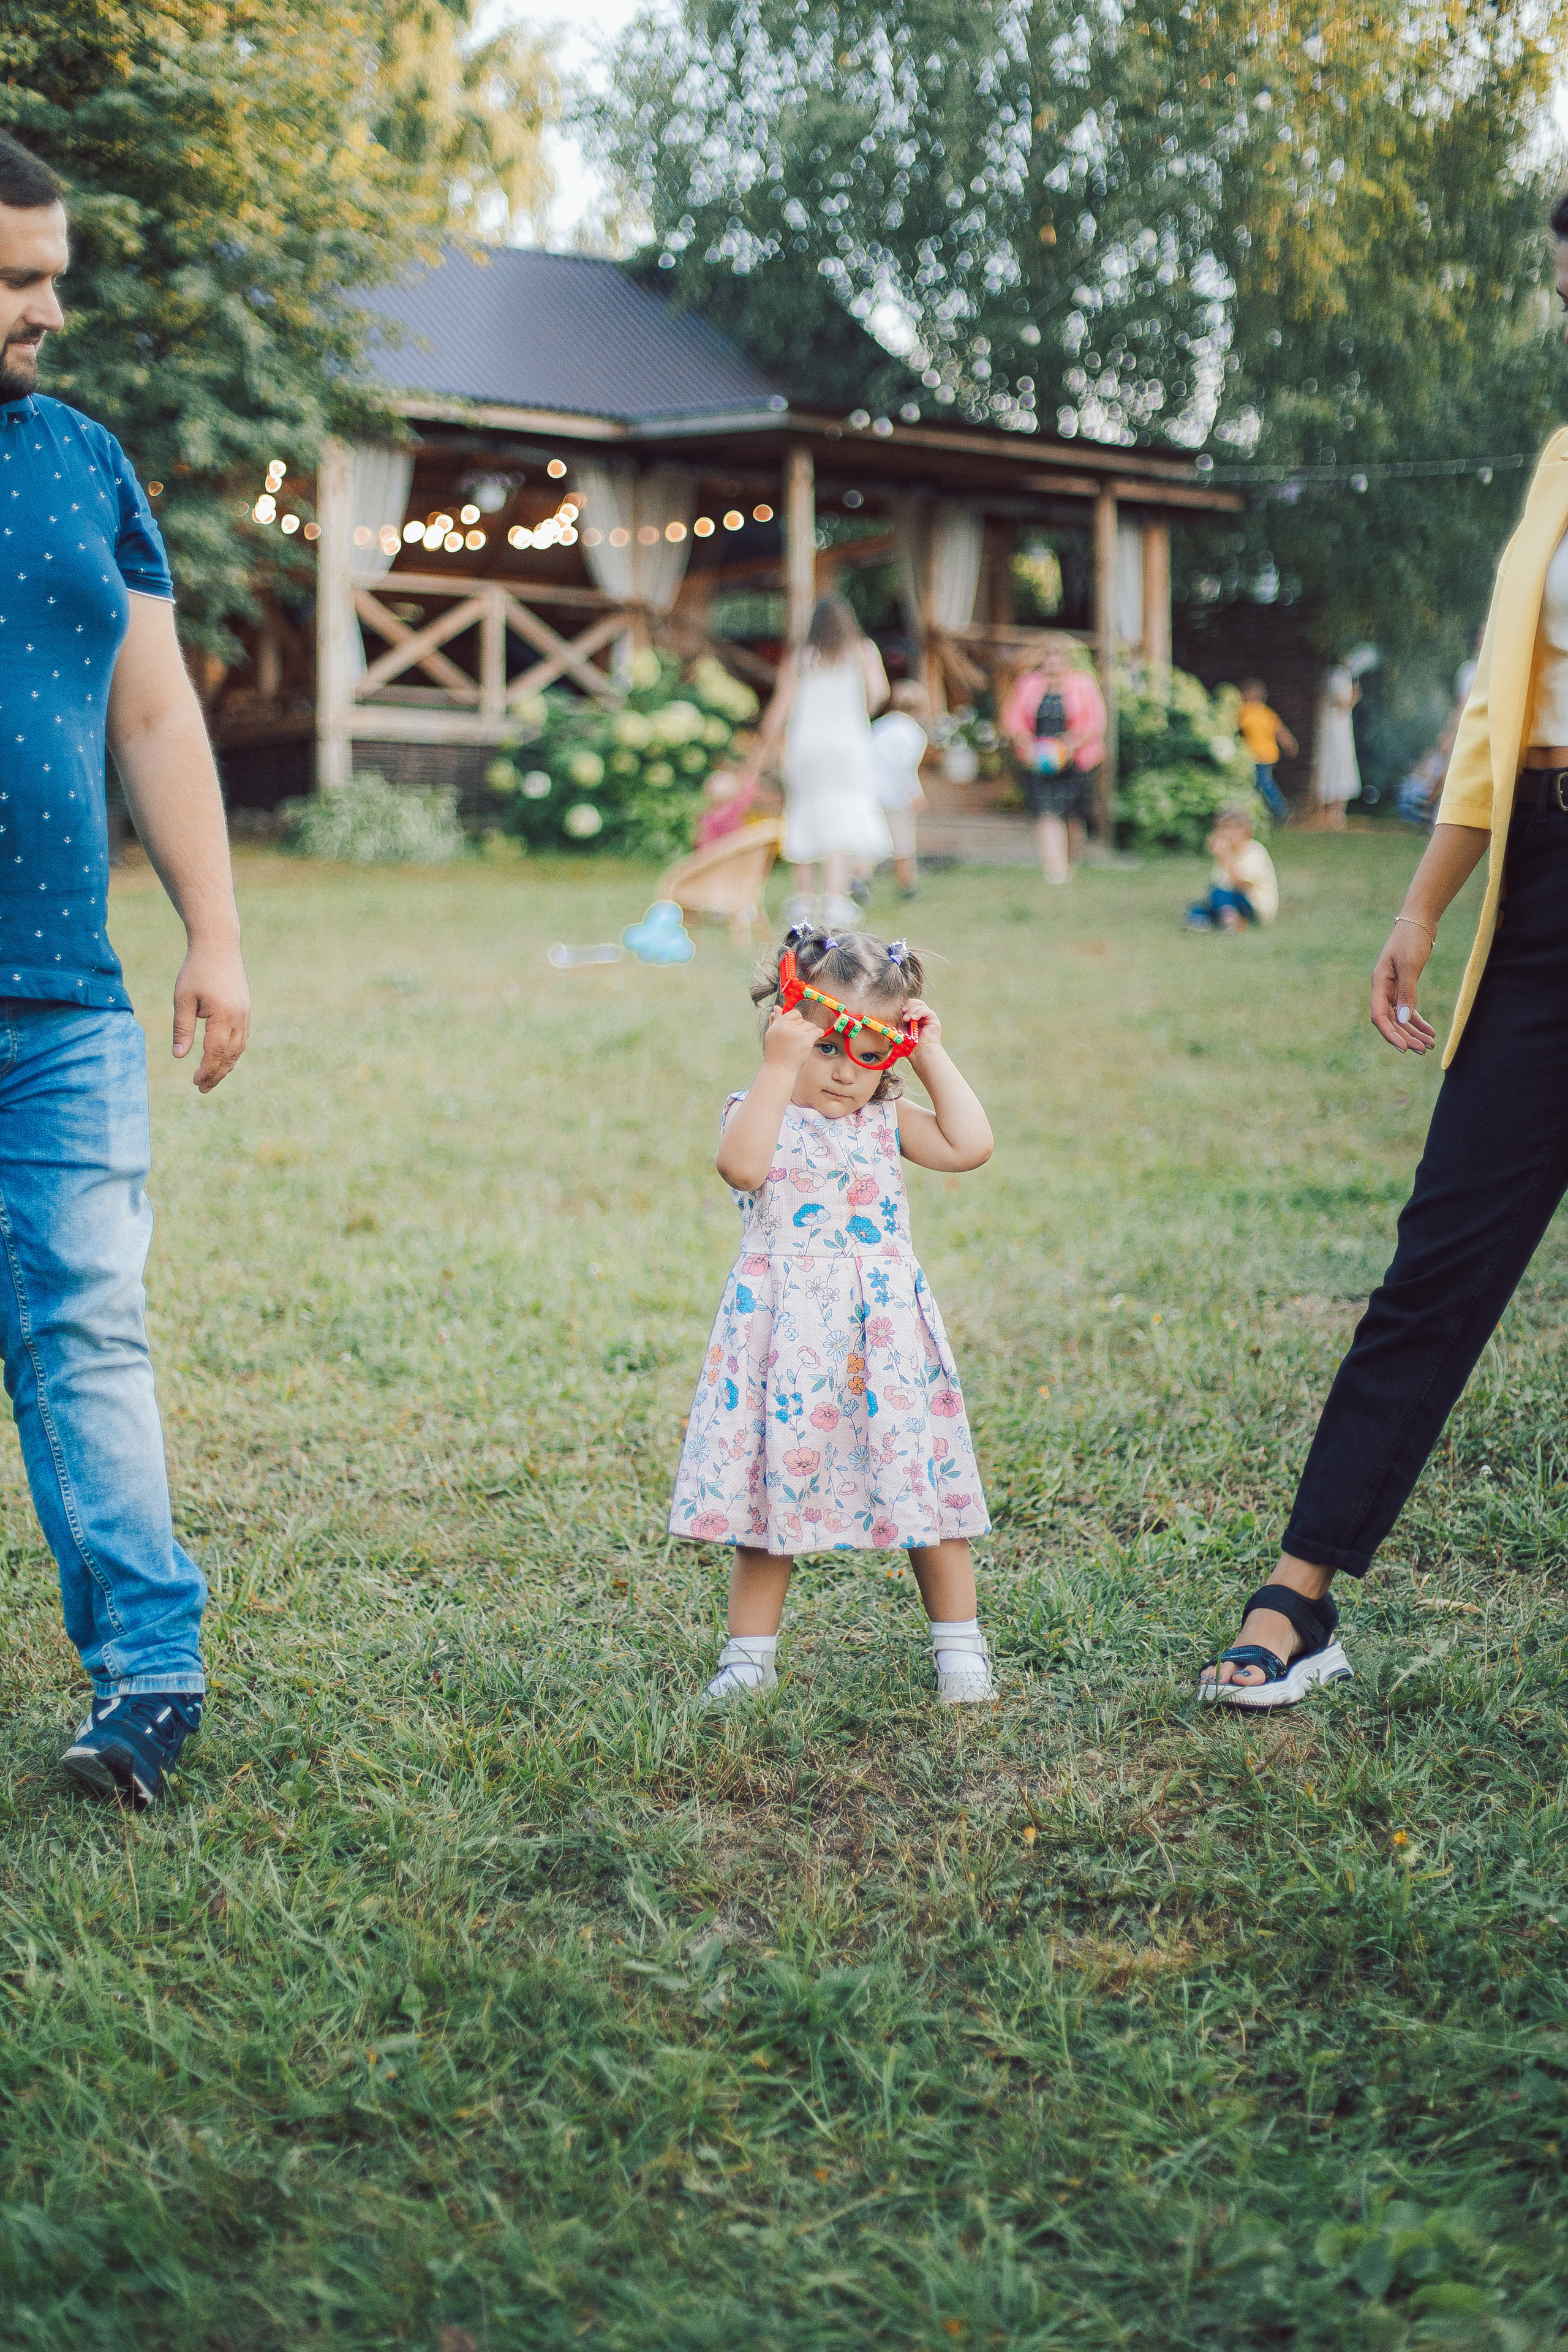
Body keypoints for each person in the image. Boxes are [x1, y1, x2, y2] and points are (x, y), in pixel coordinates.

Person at [1201, 187, 1568, 1709]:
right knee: (1440, 1253)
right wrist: (1420, 902)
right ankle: (1297, 1594)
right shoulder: (1559, 464)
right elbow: (1497, 712)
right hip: (1541, 882)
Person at [0, 135, 250, 1800]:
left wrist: (213, 934)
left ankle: (151, 1679)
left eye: (55, 277)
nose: (47, 310)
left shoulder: (85, 461)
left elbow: (152, 711)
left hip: (61, 1000)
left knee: (89, 1323)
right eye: (16, 279)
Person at [669, 923, 996, 1707]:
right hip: (784, 1344)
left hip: (882, 1341)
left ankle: (960, 1652)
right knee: (767, 1501)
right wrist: (780, 1064)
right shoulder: (760, 1112)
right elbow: (740, 1166)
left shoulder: (885, 1120)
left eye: (869, 1052)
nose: (847, 1073)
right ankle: (748, 1660)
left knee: (926, 1495)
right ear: (788, 1030)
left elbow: (971, 1145)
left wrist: (929, 1053)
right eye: (825, 1048)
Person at [742, 595, 891, 926]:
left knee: (804, 811)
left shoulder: (801, 657)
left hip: (807, 746)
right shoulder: (863, 651)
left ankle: (804, 899)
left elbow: (782, 705)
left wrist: (764, 745)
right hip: (848, 745)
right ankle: (835, 900)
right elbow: (879, 694)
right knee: (841, 817)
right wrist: (858, 712)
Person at [999, 638, 1107, 885]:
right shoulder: (1028, 683)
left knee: (1072, 817)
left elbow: (1095, 722)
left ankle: (1071, 863)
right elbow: (1014, 719)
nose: (1054, 664)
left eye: (1059, 658)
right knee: (1047, 813)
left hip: (1075, 761)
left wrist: (1069, 745)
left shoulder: (1084, 684)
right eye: (1049, 658)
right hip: (1039, 761)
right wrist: (1026, 742)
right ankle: (1055, 870)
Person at [869, 679, 930, 898]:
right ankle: (907, 886)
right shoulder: (914, 733)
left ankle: (860, 880)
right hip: (896, 795)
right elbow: (906, 768)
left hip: (871, 791)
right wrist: (915, 794)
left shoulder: (880, 725)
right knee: (903, 842)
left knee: (872, 839)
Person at [1185, 805, 1279, 931]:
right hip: (1231, 903)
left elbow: (1241, 884)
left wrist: (1225, 857)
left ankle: (1231, 922)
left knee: (1219, 892)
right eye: (1222, 829)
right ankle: (1209, 922)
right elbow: (1220, 882)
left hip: (1253, 905)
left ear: (1248, 831)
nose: (1226, 834)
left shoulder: (1254, 852)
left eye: (1232, 829)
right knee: (1198, 908)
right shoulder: (1229, 852)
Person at [1236, 677, 1298, 823]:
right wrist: (1290, 744)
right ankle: (1258, 814)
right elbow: (1281, 731)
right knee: (1258, 785)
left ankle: (1282, 811)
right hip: (1268, 755)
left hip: (1257, 756)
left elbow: (1236, 727)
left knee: (1264, 784)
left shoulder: (1245, 711)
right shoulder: (1267, 712)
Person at [1310, 660, 1362, 828]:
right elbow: (1343, 705)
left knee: (1335, 765)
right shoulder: (1338, 675)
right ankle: (1334, 814)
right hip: (1336, 730)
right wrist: (1355, 695)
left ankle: (1333, 814)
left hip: (1336, 728)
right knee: (1338, 765)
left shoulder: (1333, 674)